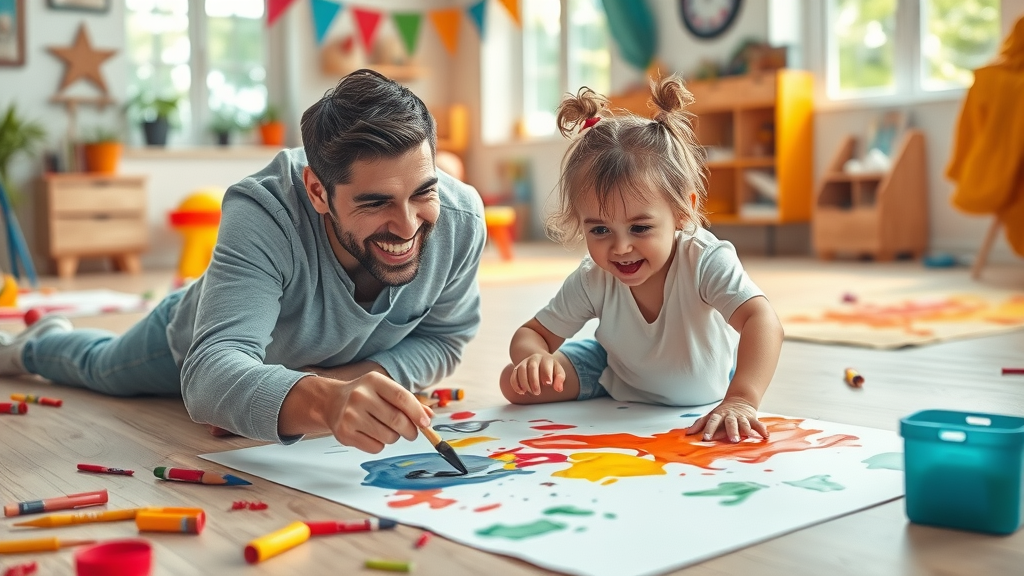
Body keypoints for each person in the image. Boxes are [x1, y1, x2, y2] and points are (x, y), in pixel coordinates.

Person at [0, 69, 487, 453]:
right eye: (375, 202)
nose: (407, 226)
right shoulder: (263, 210)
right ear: (318, 191)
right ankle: (33, 346)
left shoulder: (461, 219)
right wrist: (323, 401)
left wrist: (337, 386)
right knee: (101, 367)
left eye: (423, 192)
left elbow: (445, 338)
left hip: (305, 362)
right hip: (191, 336)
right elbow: (210, 375)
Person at [498, 75, 783, 443]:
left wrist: (742, 399)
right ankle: (595, 377)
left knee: (746, 367)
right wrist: (535, 357)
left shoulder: (704, 259)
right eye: (600, 230)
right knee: (515, 383)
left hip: (708, 377)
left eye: (640, 228)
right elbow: (531, 334)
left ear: (682, 211)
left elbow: (763, 321)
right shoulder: (592, 277)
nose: (620, 248)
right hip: (616, 370)